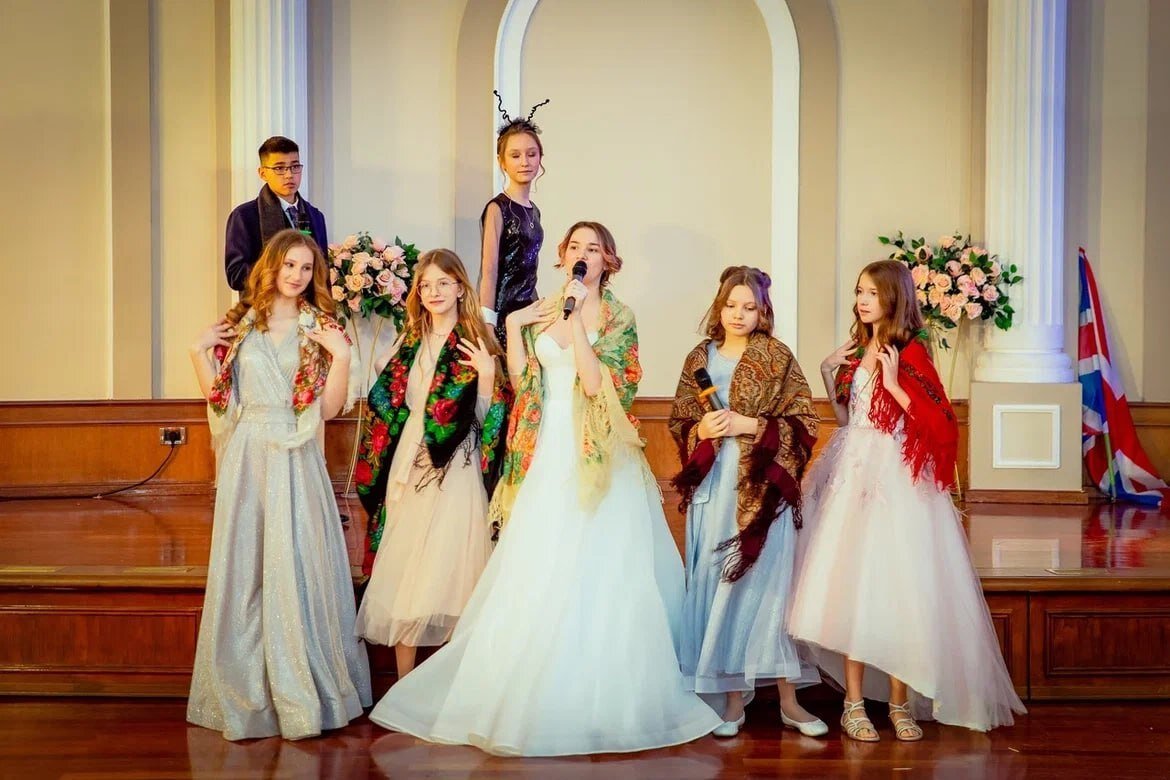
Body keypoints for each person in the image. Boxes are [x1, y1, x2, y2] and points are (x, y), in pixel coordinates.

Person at [367, 221, 721, 756]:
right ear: (563, 255)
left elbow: (601, 385)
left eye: (594, 248)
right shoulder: (541, 309)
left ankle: (598, 693)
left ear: (608, 261)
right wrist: (514, 326)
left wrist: (575, 323)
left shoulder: (619, 318)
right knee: (539, 563)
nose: (583, 254)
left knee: (599, 570)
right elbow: (522, 380)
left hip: (596, 452)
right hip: (544, 445)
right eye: (575, 246)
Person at [788, 259, 1026, 740]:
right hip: (853, 476)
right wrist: (828, 371)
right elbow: (848, 419)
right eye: (859, 291)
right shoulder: (858, 349)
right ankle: (853, 703)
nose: (862, 301)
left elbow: (940, 425)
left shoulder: (911, 351)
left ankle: (901, 702)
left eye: (872, 293)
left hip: (897, 478)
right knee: (851, 586)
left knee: (899, 589)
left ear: (894, 298)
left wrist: (895, 385)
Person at [186, 228, 371, 740]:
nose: (297, 275)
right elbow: (223, 400)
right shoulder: (241, 324)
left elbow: (328, 410)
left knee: (298, 559)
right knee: (246, 563)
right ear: (271, 266)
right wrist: (198, 352)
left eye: (306, 268)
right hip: (248, 453)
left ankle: (303, 685)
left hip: (295, 452)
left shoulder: (321, 328)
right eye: (289, 265)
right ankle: (246, 685)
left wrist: (341, 356)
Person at [669, 266, 826, 739]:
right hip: (714, 488)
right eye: (731, 305)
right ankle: (732, 699)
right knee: (720, 584)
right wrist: (701, 429)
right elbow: (680, 419)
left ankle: (789, 701)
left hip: (762, 489)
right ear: (719, 307)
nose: (738, 314)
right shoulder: (699, 357)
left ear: (763, 312)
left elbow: (805, 422)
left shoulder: (777, 356)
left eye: (749, 307)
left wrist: (752, 426)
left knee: (767, 586)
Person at [354, 249, 512, 679]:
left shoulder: (477, 344)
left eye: (443, 283)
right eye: (425, 285)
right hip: (410, 460)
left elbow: (489, 422)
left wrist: (486, 378)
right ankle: (405, 684)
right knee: (405, 569)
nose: (434, 292)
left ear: (460, 288)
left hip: (456, 466)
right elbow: (390, 405)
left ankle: (449, 682)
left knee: (454, 571)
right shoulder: (407, 343)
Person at [478, 92, 549, 348]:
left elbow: (530, 272)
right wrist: (487, 325)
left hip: (530, 313)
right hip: (504, 315)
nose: (525, 162)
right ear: (502, 161)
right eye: (515, 155)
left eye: (531, 154)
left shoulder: (534, 211)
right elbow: (488, 271)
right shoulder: (497, 208)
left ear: (540, 157)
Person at [224, 136, 328, 291]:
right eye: (279, 168)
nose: (289, 175)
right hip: (266, 304)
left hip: (308, 305)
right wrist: (282, 270)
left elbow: (323, 274)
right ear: (263, 173)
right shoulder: (244, 216)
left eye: (295, 166)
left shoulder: (315, 216)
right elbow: (235, 275)